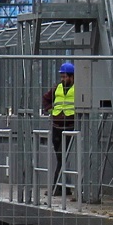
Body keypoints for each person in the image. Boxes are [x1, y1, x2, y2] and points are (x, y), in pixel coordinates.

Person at [42, 60, 78, 192]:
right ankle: (63, 187)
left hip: (70, 126)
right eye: (61, 77)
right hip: (57, 126)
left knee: (63, 157)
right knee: (60, 156)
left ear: (72, 76)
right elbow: (45, 98)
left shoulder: (78, 88)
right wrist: (50, 110)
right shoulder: (57, 88)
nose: (62, 79)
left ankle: (57, 188)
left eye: (65, 77)